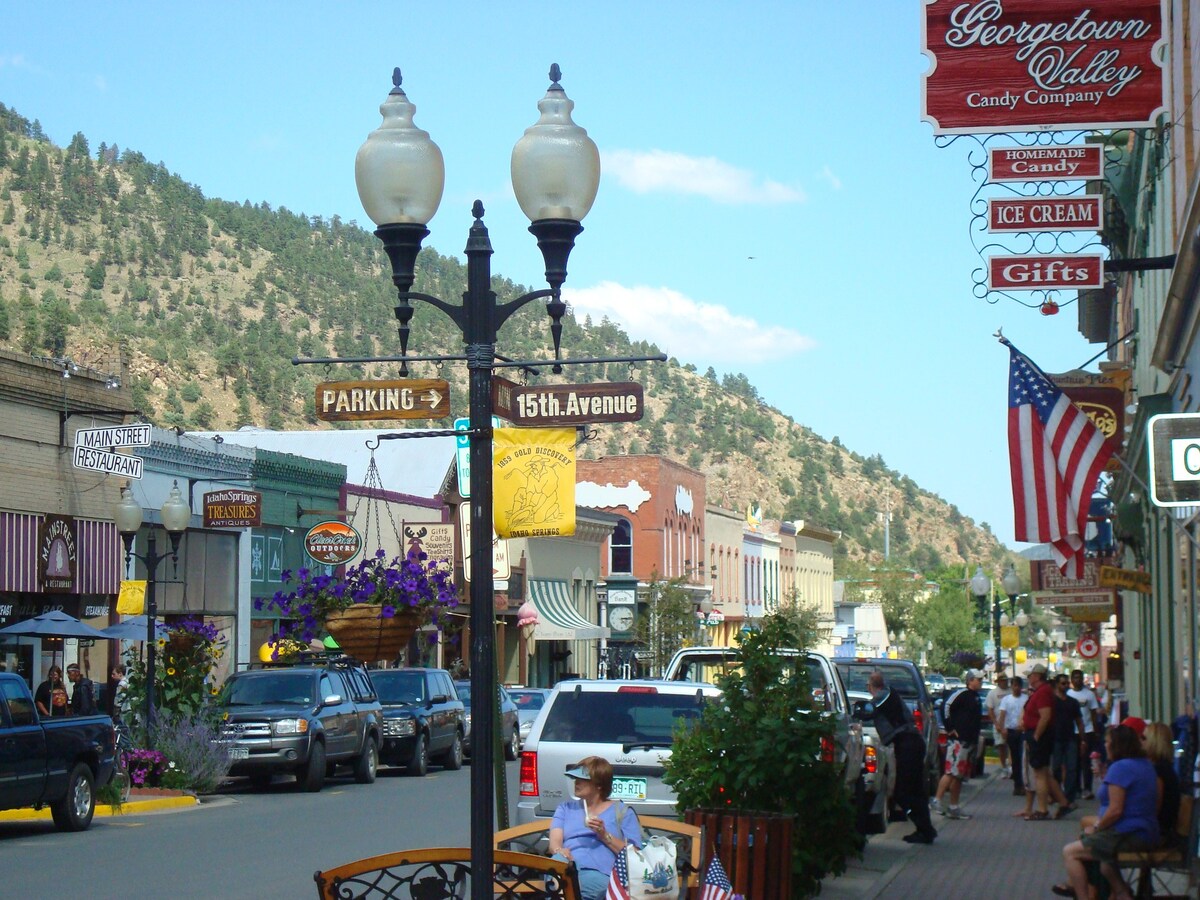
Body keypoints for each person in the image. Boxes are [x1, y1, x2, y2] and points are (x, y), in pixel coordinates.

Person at [1053, 724, 1160, 899]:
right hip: (1144, 831)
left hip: (1129, 834)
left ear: (1117, 745)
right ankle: (1122, 893)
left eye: (1108, 741)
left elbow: (1116, 810)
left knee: (1070, 852)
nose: (1105, 745)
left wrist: (1098, 828)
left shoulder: (1121, 767)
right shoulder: (1144, 764)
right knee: (1101, 860)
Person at [548, 756, 643, 900]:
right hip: (566, 867)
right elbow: (554, 842)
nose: (576, 783)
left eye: (582, 779)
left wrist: (604, 835)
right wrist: (559, 850)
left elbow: (634, 854)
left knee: (574, 887)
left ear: (599, 785)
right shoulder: (565, 808)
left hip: (598, 872)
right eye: (575, 779)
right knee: (556, 866)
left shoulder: (622, 812)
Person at [866, 671, 936, 844]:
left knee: (903, 793)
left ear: (870, 686)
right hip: (909, 744)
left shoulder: (885, 695)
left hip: (908, 744)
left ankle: (924, 828)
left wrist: (857, 712)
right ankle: (925, 830)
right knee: (915, 790)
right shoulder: (887, 695)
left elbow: (869, 710)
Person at [932, 669, 983, 820]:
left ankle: (954, 806)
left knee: (959, 775)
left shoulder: (976, 698)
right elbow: (945, 706)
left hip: (969, 741)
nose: (980, 682)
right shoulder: (962, 694)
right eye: (978, 680)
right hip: (958, 741)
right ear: (970, 680)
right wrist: (950, 728)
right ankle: (937, 799)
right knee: (951, 772)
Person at [1023, 664, 1071, 820]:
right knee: (1045, 773)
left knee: (1040, 774)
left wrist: (1036, 735)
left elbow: (1045, 715)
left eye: (1030, 675)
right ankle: (1063, 802)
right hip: (1040, 734)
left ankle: (1042, 809)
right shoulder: (1042, 691)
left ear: (1037, 676)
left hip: (1040, 735)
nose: (1029, 678)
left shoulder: (1043, 692)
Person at [1144, 721, 1182, 848]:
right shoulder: (1164, 768)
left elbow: (1155, 806)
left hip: (1159, 833)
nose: (1140, 742)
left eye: (1144, 738)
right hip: (1162, 830)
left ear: (1154, 742)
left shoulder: (1159, 771)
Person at [1051, 673, 1083, 815]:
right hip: (1055, 738)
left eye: (1066, 683)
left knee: (1071, 768)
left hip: (1070, 738)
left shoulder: (1072, 702)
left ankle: (1069, 798)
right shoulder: (1052, 701)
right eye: (1062, 683)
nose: (1065, 685)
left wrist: (1082, 739)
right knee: (1056, 768)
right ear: (1057, 684)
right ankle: (1057, 795)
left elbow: (1079, 721)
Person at [1068, 669, 1102, 800]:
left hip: (1087, 731)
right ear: (1072, 680)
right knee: (1074, 761)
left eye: (1079, 678)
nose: (1077, 680)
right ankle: (1076, 788)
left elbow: (1094, 713)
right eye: (1075, 678)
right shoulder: (1068, 694)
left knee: (1086, 762)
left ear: (1083, 679)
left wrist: (1095, 730)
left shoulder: (1089, 695)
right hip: (1072, 732)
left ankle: (1087, 788)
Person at [997, 676, 1027, 795]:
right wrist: (1002, 728)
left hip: (1022, 731)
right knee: (1015, 758)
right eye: (1014, 685)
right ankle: (1017, 785)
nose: (1016, 688)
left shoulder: (1025, 699)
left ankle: (1024, 784)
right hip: (1011, 731)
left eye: (1018, 686)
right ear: (1011, 686)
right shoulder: (1006, 699)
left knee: (1022, 758)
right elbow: (1002, 714)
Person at [986, 672, 1010, 777]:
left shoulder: (1011, 691)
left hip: (1011, 724)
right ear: (998, 682)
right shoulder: (992, 693)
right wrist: (996, 723)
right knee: (1001, 746)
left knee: (1011, 746)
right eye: (1002, 680)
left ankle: (1011, 767)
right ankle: (1004, 767)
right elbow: (990, 710)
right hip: (999, 724)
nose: (1004, 682)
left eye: (1005, 680)